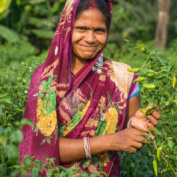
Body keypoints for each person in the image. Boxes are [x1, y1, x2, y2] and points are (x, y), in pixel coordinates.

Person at [18, 0, 161, 176]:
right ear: (67, 27)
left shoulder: (123, 77)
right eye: (82, 28)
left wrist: (137, 126)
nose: (90, 38)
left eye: (99, 30)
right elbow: (39, 148)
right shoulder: (46, 78)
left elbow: (130, 137)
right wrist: (110, 141)